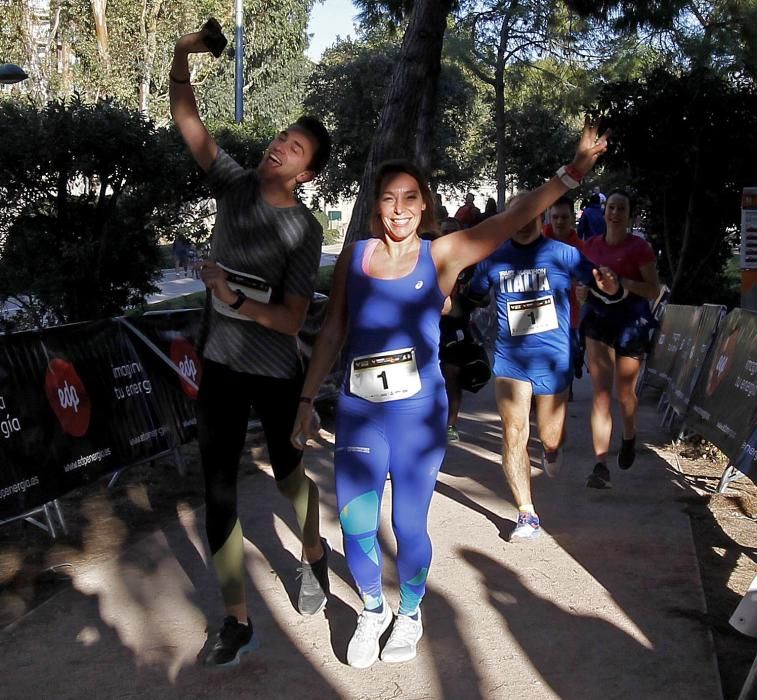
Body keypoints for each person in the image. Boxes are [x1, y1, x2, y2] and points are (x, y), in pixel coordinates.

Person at [291, 122, 608, 668]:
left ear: (424, 206)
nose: (398, 208)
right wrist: (304, 402)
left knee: (407, 524)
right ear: (376, 207)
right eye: (388, 199)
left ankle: (409, 613)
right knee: (354, 521)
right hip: (361, 411)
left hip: (417, 414)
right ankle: (372, 609)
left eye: (410, 197)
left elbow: (511, 217)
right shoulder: (357, 255)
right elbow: (333, 330)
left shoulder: (442, 255)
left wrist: (573, 171)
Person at [169, 28, 332, 666]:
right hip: (221, 367)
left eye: (293, 148)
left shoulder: (304, 228)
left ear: (306, 171)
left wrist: (232, 297)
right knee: (217, 491)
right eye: (280, 138)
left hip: (273, 373)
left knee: (293, 482)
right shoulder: (234, 186)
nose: (278, 147)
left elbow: (294, 321)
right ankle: (236, 619)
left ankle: (313, 555)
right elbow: (188, 118)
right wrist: (182, 54)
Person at [467, 193, 623, 542]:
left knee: (549, 435)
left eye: (529, 215)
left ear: (541, 218)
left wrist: (611, 287)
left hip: (553, 358)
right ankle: (526, 513)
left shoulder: (564, 254)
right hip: (510, 359)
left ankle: (552, 448)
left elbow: (603, 285)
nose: (522, 223)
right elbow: (474, 293)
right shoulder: (494, 258)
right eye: (515, 216)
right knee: (514, 433)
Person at [580, 189, 660, 489]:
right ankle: (600, 464)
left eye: (621, 209)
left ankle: (629, 436)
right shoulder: (591, 246)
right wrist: (582, 291)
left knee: (624, 394)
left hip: (631, 322)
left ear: (628, 215)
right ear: (604, 212)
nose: (614, 213)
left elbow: (654, 289)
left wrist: (622, 282)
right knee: (600, 393)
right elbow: (583, 282)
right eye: (611, 207)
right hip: (599, 321)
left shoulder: (639, 248)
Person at [543, 196, 585, 399]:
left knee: (570, 356)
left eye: (564, 217)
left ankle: (567, 381)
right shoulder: (538, 239)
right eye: (555, 217)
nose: (559, 222)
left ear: (573, 219)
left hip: (569, 316)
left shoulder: (580, 248)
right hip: (538, 313)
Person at [437, 217, 474, 442]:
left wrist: (464, 295)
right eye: (445, 231)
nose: (449, 234)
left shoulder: (468, 263)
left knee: (453, 375)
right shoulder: (431, 259)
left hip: (456, 327)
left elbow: (480, 298)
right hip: (431, 327)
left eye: (453, 231)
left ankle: (451, 423)